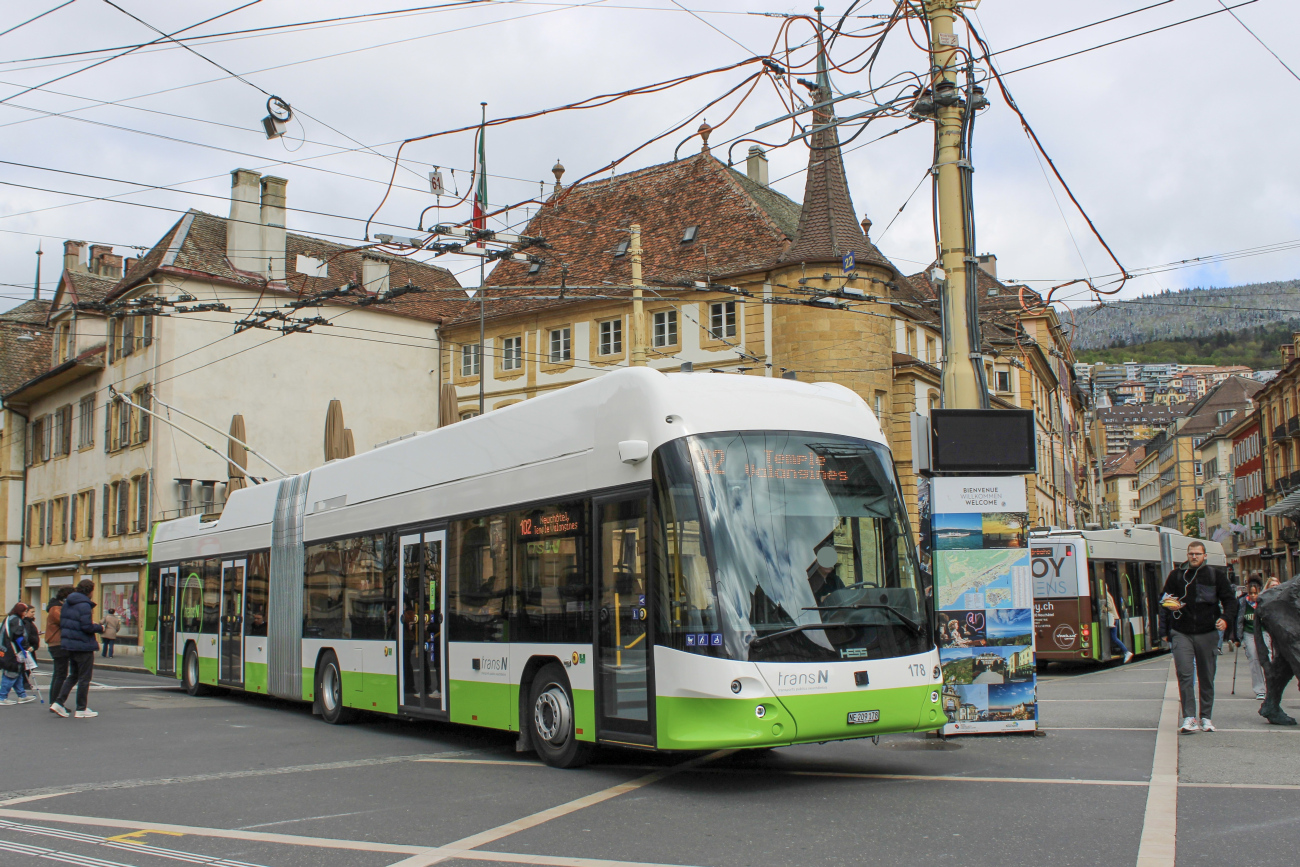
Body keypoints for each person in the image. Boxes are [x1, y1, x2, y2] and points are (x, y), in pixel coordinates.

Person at [1161, 541, 1237, 734]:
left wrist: (1225, 619)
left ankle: (1206, 717)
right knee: (1185, 674)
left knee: (1207, 677)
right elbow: (1162, 600)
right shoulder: (1176, 576)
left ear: (1204, 556)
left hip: (1207, 632)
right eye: (1191, 553)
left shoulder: (1215, 576)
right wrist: (1166, 627)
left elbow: (1230, 600)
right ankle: (1189, 718)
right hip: (1181, 632)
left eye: (1197, 554)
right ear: (1187, 555)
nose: (1193, 557)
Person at [51, 579, 102, 719]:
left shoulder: (68, 603)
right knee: (84, 678)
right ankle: (81, 708)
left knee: (73, 676)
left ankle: (58, 702)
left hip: (70, 644)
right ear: (90, 590)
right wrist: (99, 628)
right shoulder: (84, 605)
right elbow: (86, 626)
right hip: (83, 645)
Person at [0, 603, 37, 704]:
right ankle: (2, 697)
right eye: (25, 611)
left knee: (18, 673)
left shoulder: (9, 618)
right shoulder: (16, 620)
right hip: (12, 651)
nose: (26, 613)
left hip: (6, 650)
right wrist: (26, 646)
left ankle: (22, 695)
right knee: (11, 673)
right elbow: (18, 636)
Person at [1237, 578, 1266, 700]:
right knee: (1254, 659)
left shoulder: (1265, 602)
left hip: (1264, 632)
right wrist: (1238, 637)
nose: (1253, 596)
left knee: (1267, 658)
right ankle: (1260, 689)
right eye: (1251, 593)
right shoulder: (1242, 602)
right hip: (1249, 633)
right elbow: (1238, 620)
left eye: (1255, 593)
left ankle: (1271, 686)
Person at [45, 587, 71, 711]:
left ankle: (54, 701)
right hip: (58, 643)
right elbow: (64, 621)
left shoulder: (55, 607)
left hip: (56, 643)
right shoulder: (56, 609)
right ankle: (56, 702)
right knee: (61, 674)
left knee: (59, 673)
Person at [1105, 587, 1134, 664]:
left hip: (1113, 618)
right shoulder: (1108, 594)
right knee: (1113, 637)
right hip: (1115, 618)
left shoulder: (1106, 595)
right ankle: (1124, 652)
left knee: (1114, 637)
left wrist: (1102, 608)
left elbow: (1109, 606)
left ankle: (1126, 652)